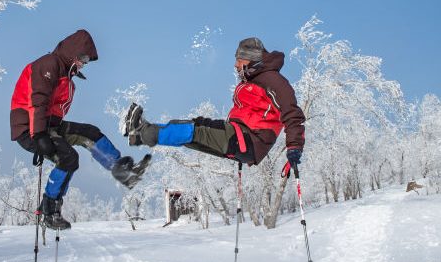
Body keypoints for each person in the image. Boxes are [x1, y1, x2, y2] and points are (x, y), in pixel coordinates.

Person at [10, 29, 150, 230]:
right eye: (83, 58)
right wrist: (39, 135)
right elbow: (38, 100)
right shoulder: (49, 64)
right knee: (69, 158)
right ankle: (50, 210)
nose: (85, 63)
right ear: (72, 52)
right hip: (29, 126)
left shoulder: (66, 74)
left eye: (87, 60)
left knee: (90, 133)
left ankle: (122, 170)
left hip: (49, 125)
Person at [124, 37, 305, 168]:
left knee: (193, 131)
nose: (235, 65)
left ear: (251, 59)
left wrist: (294, 146)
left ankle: (143, 132)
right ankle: (142, 134)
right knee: (194, 125)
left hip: (249, 139)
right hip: (239, 134)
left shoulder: (273, 80)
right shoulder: (252, 81)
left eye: (239, 60)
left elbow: (292, 113)